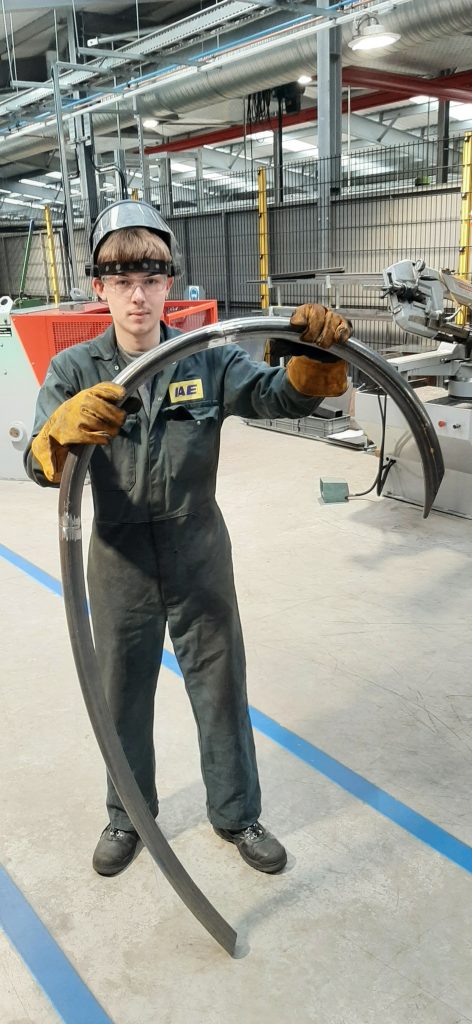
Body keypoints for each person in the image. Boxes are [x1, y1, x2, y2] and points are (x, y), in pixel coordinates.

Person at [26, 200, 351, 877]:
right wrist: (60, 430)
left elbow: (277, 399)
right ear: (99, 287)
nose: (137, 294)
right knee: (120, 694)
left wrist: (315, 360)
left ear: (172, 282)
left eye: (150, 277)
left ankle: (237, 815)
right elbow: (37, 463)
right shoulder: (74, 371)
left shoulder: (207, 360)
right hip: (117, 559)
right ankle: (128, 816)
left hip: (198, 547)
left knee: (220, 684)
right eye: (121, 280)